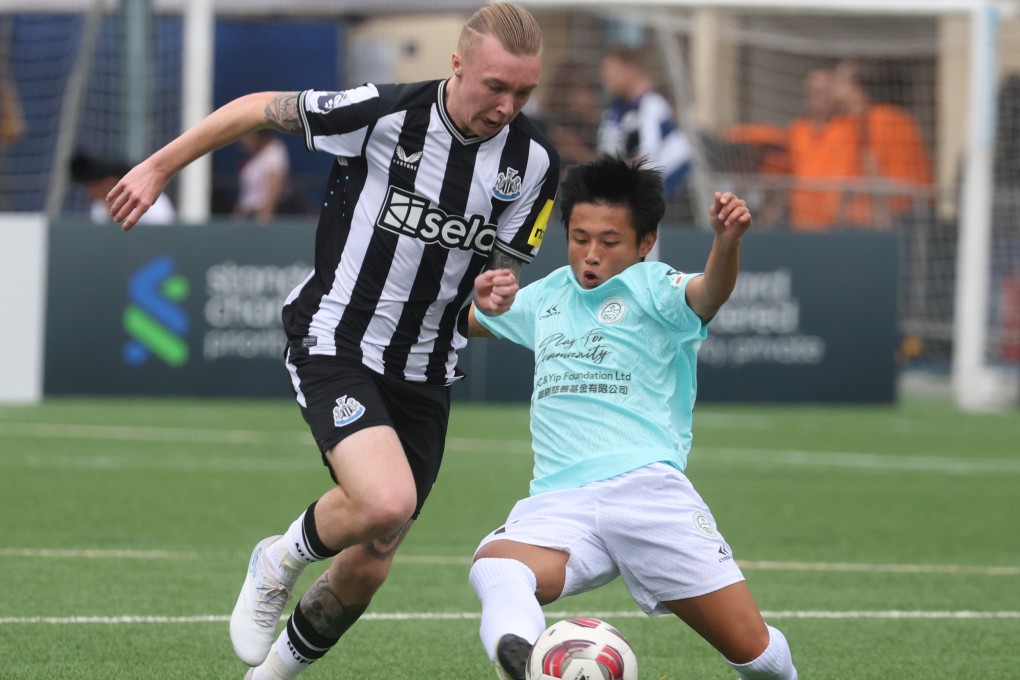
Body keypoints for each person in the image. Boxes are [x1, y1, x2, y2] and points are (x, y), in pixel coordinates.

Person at [106, 3, 559, 679]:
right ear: (457, 63)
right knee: (385, 500)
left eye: (523, 92)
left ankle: (268, 677)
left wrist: (491, 300)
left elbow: (484, 296)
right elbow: (260, 108)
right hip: (338, 339)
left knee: (370, 562)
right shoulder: (382, 114)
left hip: (428, 370)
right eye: (496, 86)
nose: (507, 105)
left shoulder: (534, 164)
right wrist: (159, 167)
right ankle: (278, 557)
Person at [465, 156, 798, 680]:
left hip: (648, 493)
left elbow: (710, 292)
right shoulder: (549, 293)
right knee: (496, 563)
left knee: (756, 655)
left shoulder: (655, 287)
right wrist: (486, 301)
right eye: (579, 238)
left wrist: (727, 243)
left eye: (609, 241)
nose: (590, 254)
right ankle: (526, 659)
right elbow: (478, 319)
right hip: (561, 501)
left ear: (645, 243)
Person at [831, 58, 933, 229]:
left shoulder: (871, 120)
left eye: (838, 80)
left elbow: (873, 168)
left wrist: (878, 214)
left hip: (892, 217)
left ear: (855, 85)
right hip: (919, 210)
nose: (832, 86)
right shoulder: (897, 117)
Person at [596, 45, 691, 196]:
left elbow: (648, 159)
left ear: (630, 70)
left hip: (673, 191)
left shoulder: (652, 105)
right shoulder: (616, 109)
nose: (605, 77)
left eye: (610, 71)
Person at [783, 67, 858, 231]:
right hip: (802, 221)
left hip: (839, 223)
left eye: (824, 92)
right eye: (814, 92)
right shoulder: (797, 130)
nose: (818, 98)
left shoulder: (848, 128)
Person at [70, 151, 176, 225]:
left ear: (110, 183)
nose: (89, 192)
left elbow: (164, 237)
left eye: (92, 186)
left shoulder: (154, 201)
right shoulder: (99, 208)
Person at [233, 129, 298, 221]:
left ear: (258, 134)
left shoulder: (274, 152)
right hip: (247, 216)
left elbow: (271, 196)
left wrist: (262, 226)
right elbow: (246, 195)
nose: (243, 141)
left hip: (259, 218)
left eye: (246, 136)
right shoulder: (254, 157)